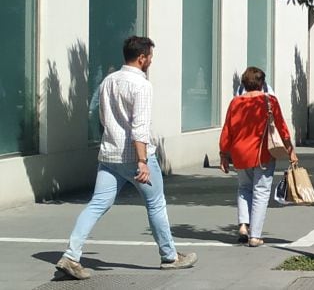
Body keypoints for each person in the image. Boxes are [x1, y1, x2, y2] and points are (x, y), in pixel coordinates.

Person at [56, 37, 197, 280]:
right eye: (150, 56)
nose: (151, 60)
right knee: (155, 204)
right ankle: (170, 256)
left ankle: (71, 255)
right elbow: (139, 127)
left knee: (97, 204)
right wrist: (142, 161)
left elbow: (101, 116)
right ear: (142, 58)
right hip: (135, 156)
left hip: (109, 155)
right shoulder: (142, 85)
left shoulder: (108, 80)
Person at [219, 66, 298, 246]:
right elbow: (282, 128)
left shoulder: (235, 102)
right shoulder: (269, 101)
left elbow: (227, 130)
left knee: (244, 188)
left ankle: (243, 225)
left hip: (239, 153)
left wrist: (223, 154)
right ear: (262, 83)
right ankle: (255, 235)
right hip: (262, 152)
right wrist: (290, 149)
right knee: (261, 191)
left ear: (244, 84)